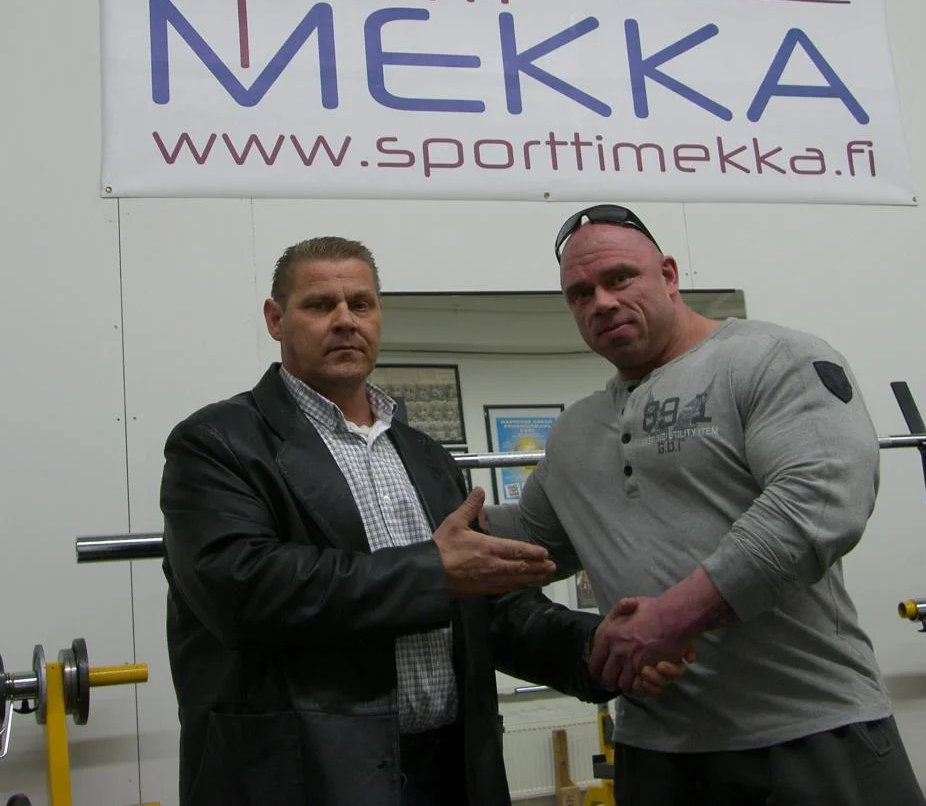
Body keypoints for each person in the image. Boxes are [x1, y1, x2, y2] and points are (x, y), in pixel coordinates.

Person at [160, 235, 660, 806]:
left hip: (449, 772)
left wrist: (594, 647)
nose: (345, 320)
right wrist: (431, 573)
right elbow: (240, 585)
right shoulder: (218, 443)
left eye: (361, 304)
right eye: (320, 305)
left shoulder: (426, 456)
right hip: (307, 778)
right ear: (276, 319)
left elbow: (491, 608)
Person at [485, 204, 926, 806]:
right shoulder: (575, 432)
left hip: (811, 734)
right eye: (580, 293)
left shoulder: (770, 358)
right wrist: (410, 504)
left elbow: (817, 504)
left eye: (620, 278)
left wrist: (669, 621)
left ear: (669, 274)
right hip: (656, 752)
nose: (602, 303)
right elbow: (524, 545)